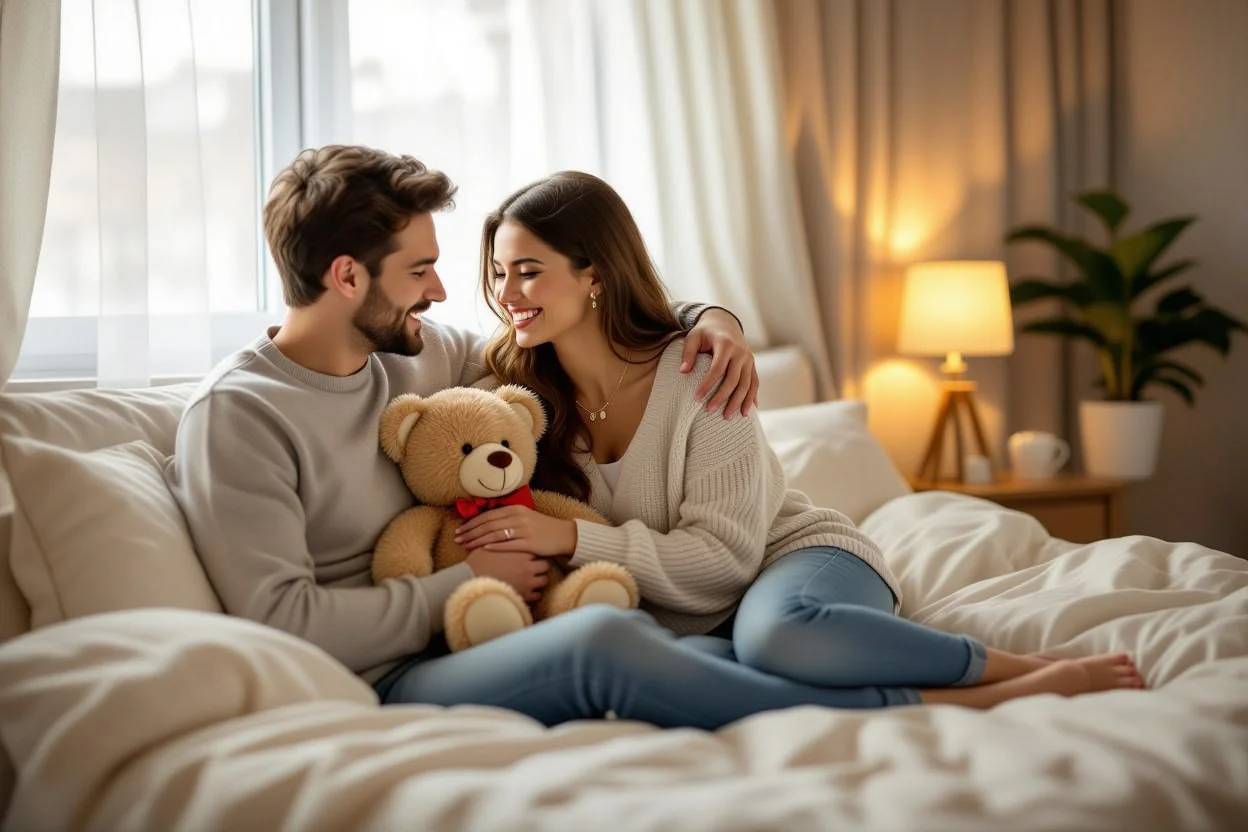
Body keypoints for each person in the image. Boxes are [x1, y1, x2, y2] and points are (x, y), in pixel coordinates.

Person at [428, 170, 1145, 722]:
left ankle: (1011, 670)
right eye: (497, 273)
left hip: (792, 560)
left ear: (594, 275)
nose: (507, 293)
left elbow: (723, 560)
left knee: (778, 641)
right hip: (688, 616)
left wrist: (566, 538)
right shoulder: (514, 389)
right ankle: (940, 702)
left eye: (528, 270)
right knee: (703, 676)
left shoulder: (700, 370)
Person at [167, 144, 756, 698]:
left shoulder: (422, 355)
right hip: (385, 674)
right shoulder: (239, 416)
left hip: (488, 633)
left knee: (621, 630)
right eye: (420, 271)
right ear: (347, 277)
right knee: (602, 642)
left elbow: (567, 324)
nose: (442, 291)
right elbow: (282, 619)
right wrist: (466, 578)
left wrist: (712, 318)